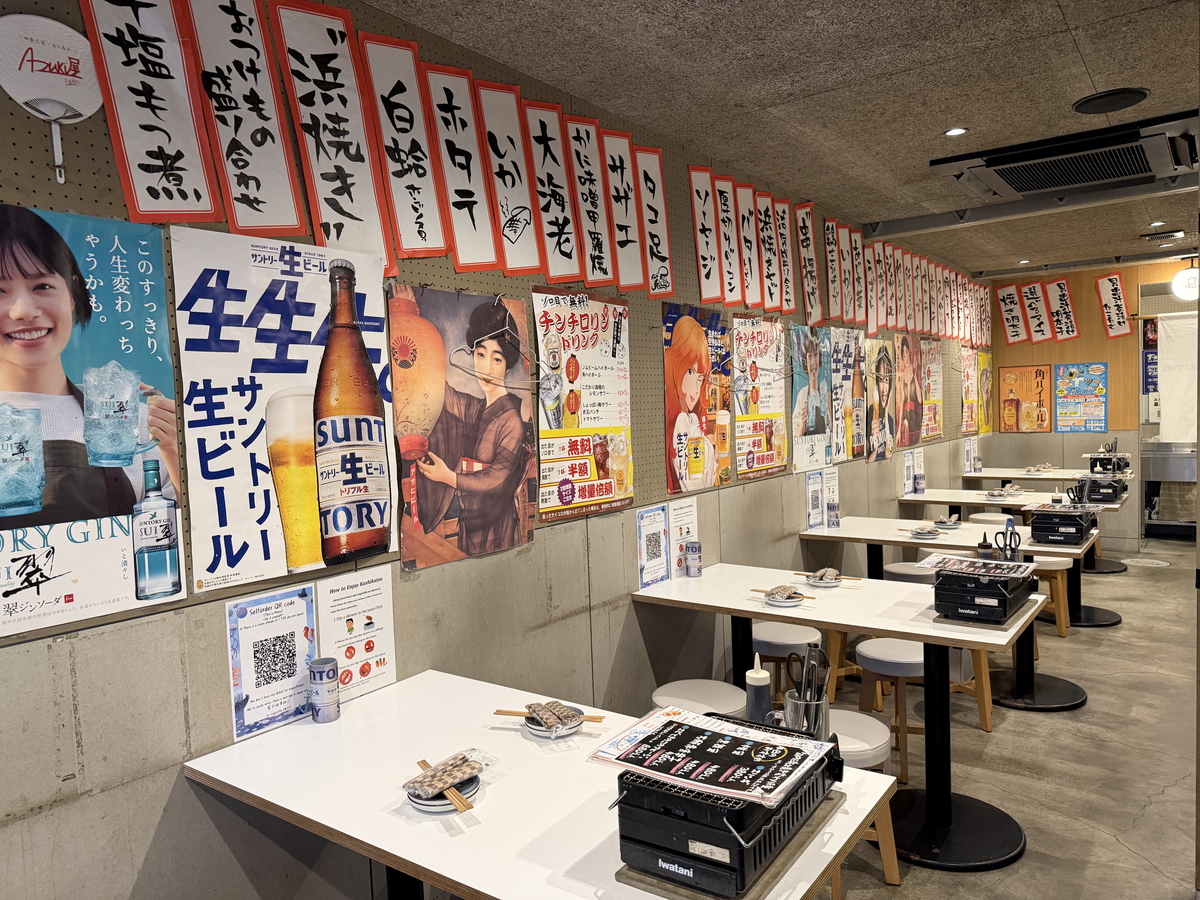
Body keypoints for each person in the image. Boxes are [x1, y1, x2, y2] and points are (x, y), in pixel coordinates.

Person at [0, 204, 178, 527]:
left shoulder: (136, 423)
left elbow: (185, 537)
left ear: (72, 293)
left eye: (42, 286)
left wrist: (176, 453)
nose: (23, 310)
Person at [414, 300, 532, 556]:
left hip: (496, 523)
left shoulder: (511, 420)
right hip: (469, 519)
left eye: (496, 358)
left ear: (507, 363)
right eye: (480, 355)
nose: (486, 368)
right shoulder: (476, 409)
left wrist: (449, 477)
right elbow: (444, 393)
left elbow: (497, 478)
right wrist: (415, 326)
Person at [663, 314, 716, 493]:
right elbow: (694, 483)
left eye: (700, 378)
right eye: (690, 372)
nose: (695, 389)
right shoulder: (679, 421)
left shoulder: (691, 419)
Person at [795, 328, 829, 437]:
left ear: (820, 358)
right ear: (805, 360)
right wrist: (802, 424)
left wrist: (832, 417)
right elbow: (795, 438)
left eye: (816, 354)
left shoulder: (826, 395)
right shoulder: (802, 395)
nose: (813, 362)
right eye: (809, 356)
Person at [866, 344, 894, 462]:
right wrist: (874, 444)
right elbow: (869, 460)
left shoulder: (890, 420)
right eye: (881, 380)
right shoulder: (871, 412)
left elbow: (889, 455)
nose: (884, 390)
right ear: (877, 383)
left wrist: (886, 412)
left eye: (887, 380)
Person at [895, 335, 922, 446]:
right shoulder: (902, 379)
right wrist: (898, 430)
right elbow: (901, 403)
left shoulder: (915, 373)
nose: (905, 357)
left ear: (910, 353)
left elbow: (920, 399)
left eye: (906, 352)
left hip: (914, 417)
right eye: (903, 354)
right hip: (906, 418)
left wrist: (914, 377)